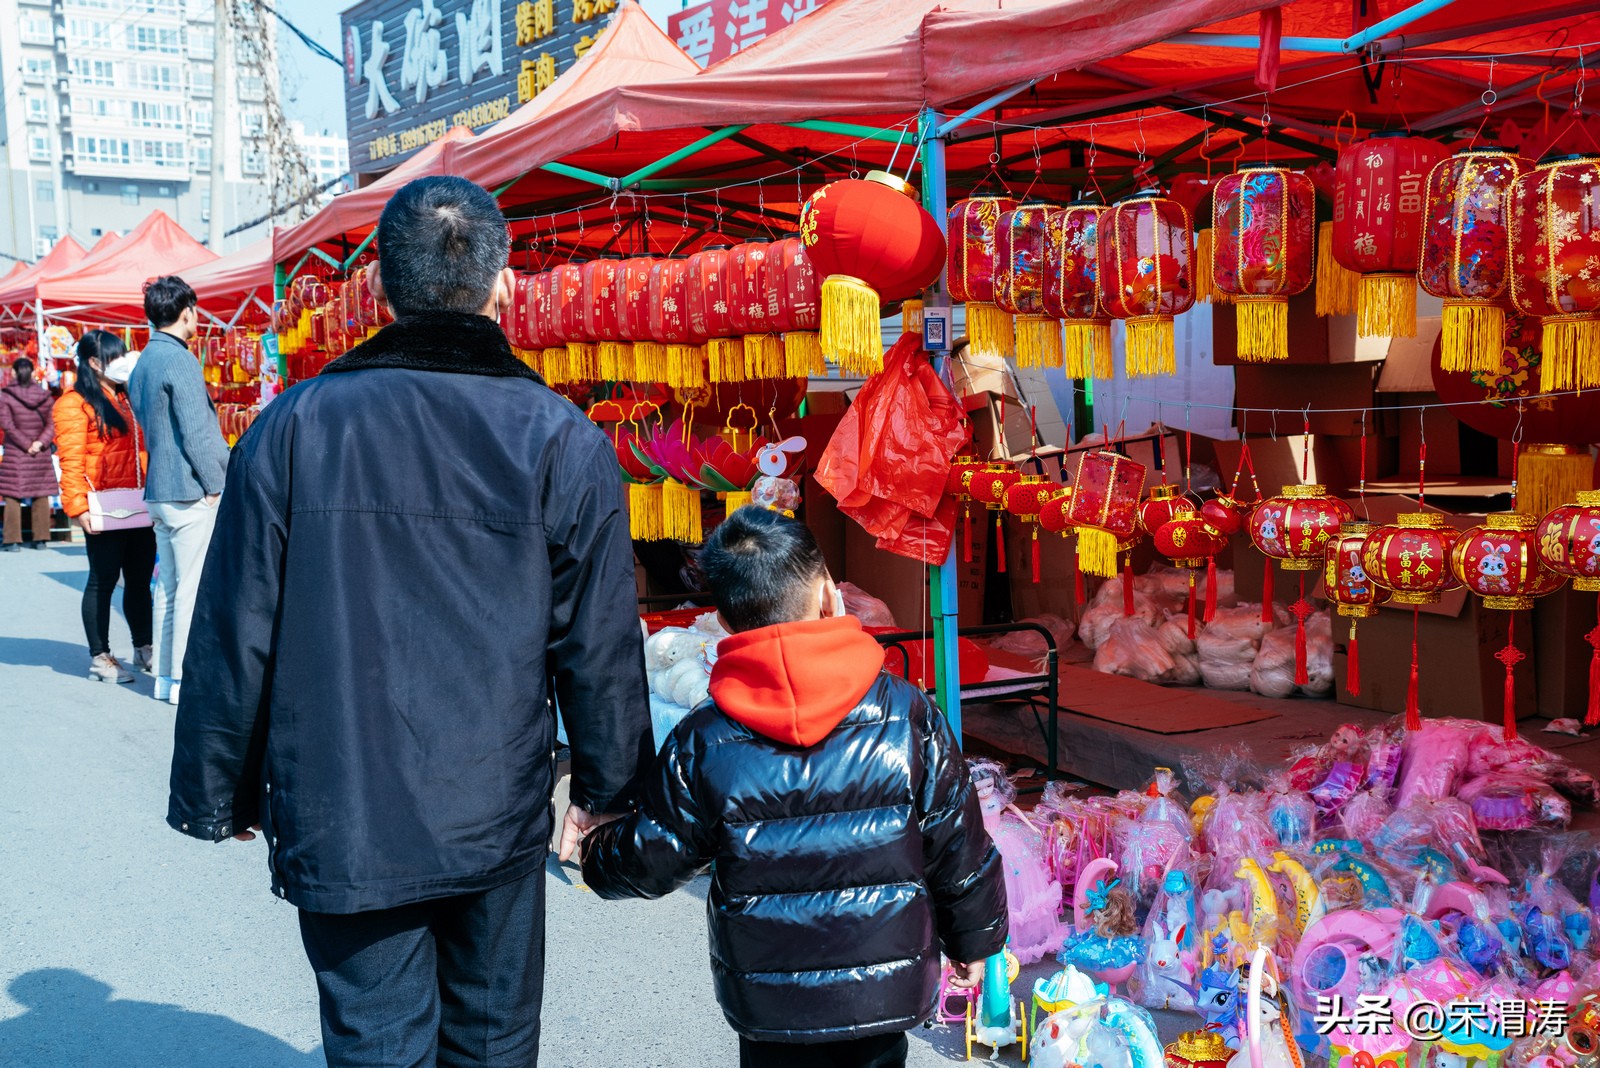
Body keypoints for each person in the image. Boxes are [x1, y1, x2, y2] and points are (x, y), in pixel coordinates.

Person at [167, 176, 653, 1068]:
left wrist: (217, 786)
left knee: (375, 1044)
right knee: (493, 1041)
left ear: (383, 294)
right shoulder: (561, 437)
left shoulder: (293, 426)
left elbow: (235, 625)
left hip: (344, 803)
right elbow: (600, 646)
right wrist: (609, 793)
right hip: (494, 808)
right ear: (503, 285)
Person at [580, 506, 1008, 1068]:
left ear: (727, 625)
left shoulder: (704, 739)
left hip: (768, 1005)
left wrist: (594, 848)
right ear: (830, 597)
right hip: (883, 991)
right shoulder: (908, 714)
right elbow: (959, 846)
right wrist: (975, 942)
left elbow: (653, 855)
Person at [126, 275, 229, 706]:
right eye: (195, 310)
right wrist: (218, 485)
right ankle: (182, 682)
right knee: (187, 590)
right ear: (186, 311)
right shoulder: (179, 360)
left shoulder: (145, 359)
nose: (197, 317)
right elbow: (199, 434)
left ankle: (166, 679)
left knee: (168, 591)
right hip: (188, 491)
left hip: (160, 490)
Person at [53, 333, 155, 684]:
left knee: (140, 581)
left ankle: (145, 647)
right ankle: (101, 656)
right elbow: (71, 460)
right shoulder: (74, 403)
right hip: (104, 505)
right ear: (94, 363)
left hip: (138, 503)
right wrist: (77, 506)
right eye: (115, 357)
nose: (121, 362)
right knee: (103, 581)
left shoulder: (125, 396)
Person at [0, 356, 58, 551]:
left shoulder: (5, 395)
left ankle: (12, 541)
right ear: (33, 372)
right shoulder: (45, 395)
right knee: (40, 494)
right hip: (39, 453)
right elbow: (52, 424)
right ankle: (41, 539)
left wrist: (26, 444)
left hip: (17, 452)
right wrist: (40, 442)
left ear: (14, 373)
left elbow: (7, 424)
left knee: (12, 495)